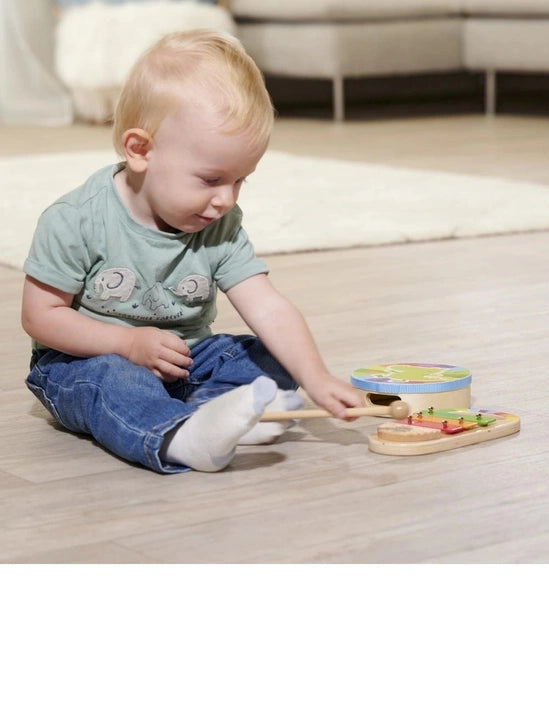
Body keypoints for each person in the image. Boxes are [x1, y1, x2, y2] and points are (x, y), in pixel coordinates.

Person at [21, 29, 362, 473]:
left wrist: (316, 376)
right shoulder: (76, 219)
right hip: (86, 359)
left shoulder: (219, 223)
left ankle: (215, 414)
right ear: (140, 150)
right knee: (111, 380)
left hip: (185, 359)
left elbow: (268, 306)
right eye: (211, 179)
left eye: (241, 180)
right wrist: (125, 343)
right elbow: (40, 316)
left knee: (268, 356)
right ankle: (180, 437)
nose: (228, 199)